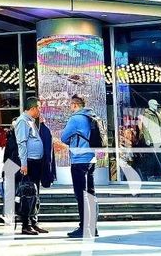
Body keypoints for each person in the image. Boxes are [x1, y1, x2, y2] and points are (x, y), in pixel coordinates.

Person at [61, 94, 98, 239]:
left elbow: (64, 137)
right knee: (90, 194)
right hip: (91, 159)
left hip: (79, 159)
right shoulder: (91, 116)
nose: (70, 107)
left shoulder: (75, 119)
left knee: (81, 195)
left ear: (75, 105)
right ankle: (93, 227)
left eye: (71, 104)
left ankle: (84, 228)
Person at [13, 98, 45, 235]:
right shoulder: (23, 121)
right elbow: (22, 143)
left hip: (36, 162)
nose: (40, 110)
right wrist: (24, 164)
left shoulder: (31, 121)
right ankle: (26, 224)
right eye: (39, 108)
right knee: (27, 193)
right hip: (29, 162)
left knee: (35, 193)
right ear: (32, 108)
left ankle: (34, 221)